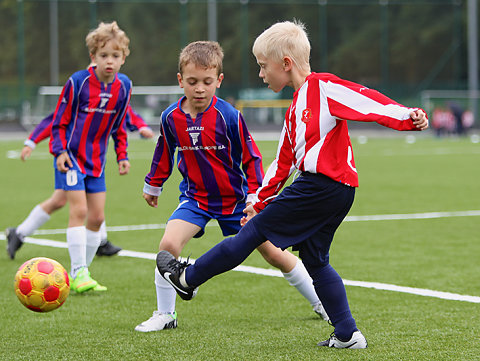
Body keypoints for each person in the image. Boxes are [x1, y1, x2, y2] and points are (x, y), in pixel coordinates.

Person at [155, 21, 429, 349]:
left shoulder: (321, 88)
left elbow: (365, 101)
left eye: (262, 66)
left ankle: (187, 279)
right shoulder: (294, 110)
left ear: (285, 64)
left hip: (320, 187)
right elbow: (283, 163)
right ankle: (347, 333)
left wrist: (407, 116)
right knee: (315, 260)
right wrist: (259, 198)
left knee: (252, 234)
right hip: (335, 191)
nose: (260, 74)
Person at [135, 40, 328, 333]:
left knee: (274, 253)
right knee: (168, 246)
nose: (200, 88)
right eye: (192, 82)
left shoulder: (229, 116)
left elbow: (252, 158)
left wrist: (254, 196)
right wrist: (154, 185)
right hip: (195, 199)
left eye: (207, 82)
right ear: (180, 81)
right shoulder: (170, 118)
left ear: (219, 80)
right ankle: (165, 314)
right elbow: (164, 151)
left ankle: (320, 301)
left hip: (236, 203)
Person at [5, 104, 154, 260]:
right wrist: (32, 141)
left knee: (59, 200)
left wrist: (140, 126)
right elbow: (55, 120)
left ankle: (19, 233)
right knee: (83, 200)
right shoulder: (81, 87)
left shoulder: (115, 89)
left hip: (92, 160)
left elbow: (124, 111)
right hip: (70, 157)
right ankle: (98, 244)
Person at [48, 21, 132, 293]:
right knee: (80, 211)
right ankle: (78, 271)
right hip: (71, 158)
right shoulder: (78, 82)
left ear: (123, 58)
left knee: (96, 218)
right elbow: (59, 121)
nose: (110, 61)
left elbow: (120, 125)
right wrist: (59, 151)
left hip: (97, 162)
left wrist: (122, 155)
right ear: (93, 57)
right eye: (103, 55)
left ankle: (80, 274)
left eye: (115, 56)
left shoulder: (124, 86)